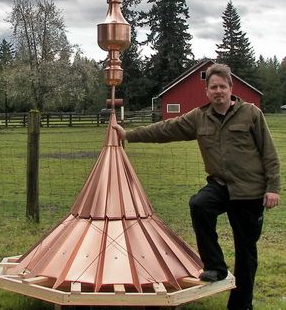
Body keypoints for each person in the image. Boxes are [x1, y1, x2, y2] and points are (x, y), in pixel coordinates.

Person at [113, 63, 280, 310]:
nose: (218, 91)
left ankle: (241, 305)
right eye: (213, 87)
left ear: (231, 88)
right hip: (220, 186)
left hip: (250, 191)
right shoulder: (199, 117)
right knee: (199, 204)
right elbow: (166, 129)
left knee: (246, 252)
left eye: (223, 86)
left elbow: (269, 153)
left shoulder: (251, 114)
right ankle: (215, 266)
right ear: (207, 91)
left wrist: (273, 187)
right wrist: (129, 135)